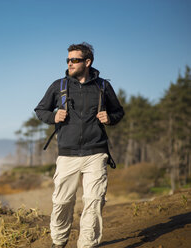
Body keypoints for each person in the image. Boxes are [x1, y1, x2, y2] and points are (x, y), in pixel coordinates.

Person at [34, 42, 124, 248]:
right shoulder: (59, 86)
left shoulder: (103, 87)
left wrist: (110, 118)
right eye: (68, 60)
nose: (69, 63)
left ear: (87, 62)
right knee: (62, 203)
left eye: (74, 60)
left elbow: (119, 112)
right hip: (67, 155)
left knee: (93, 202)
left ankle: (87, 245)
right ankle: (59, 242)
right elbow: (40, 110)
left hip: (96, 153)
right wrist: (54, 115)